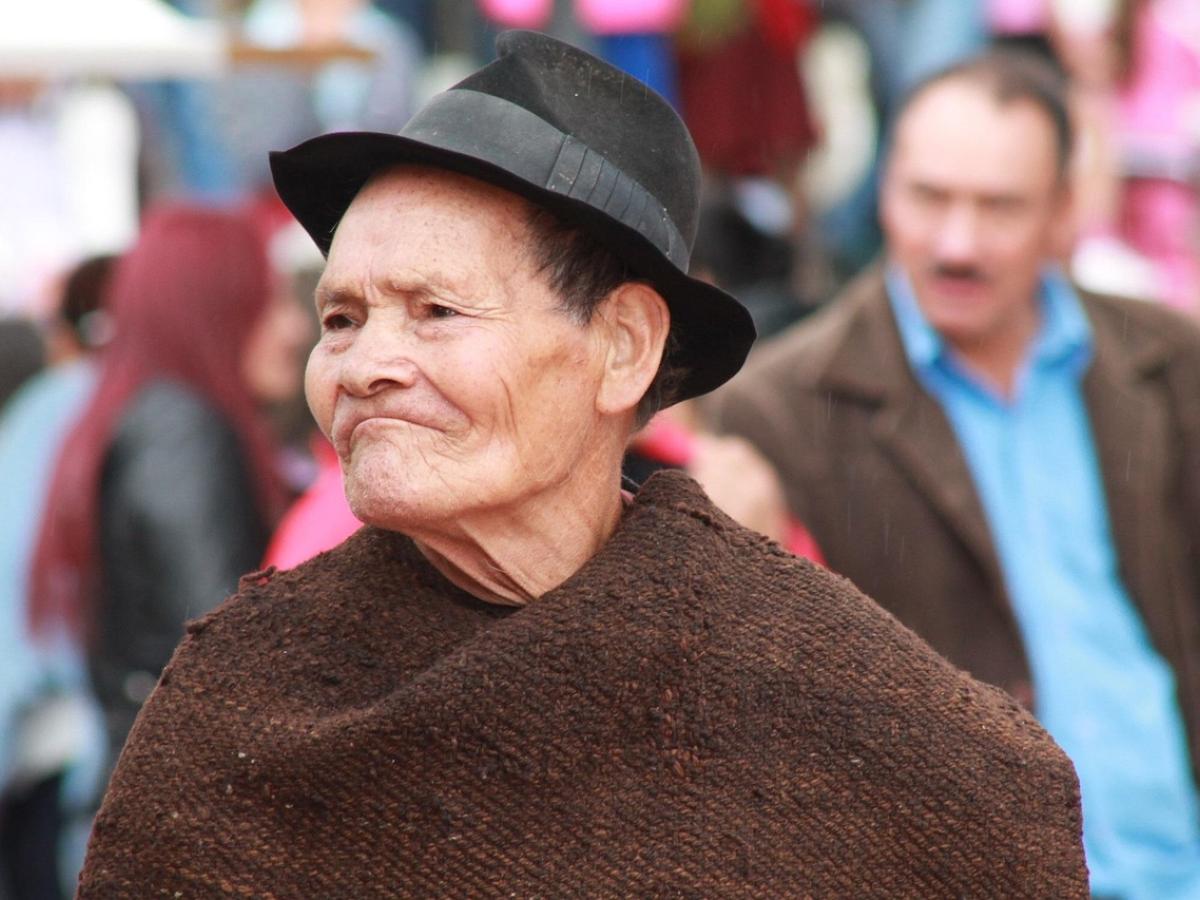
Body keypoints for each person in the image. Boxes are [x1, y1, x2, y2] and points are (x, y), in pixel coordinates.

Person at [77, 32, 1087, 897]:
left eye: (436, 311)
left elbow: (1012, 814)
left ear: (623, 350)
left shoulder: (810, 680)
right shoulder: (247, 693)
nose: (366, 365)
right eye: (340, 318)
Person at [713, 50, 1200, 899]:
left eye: (999, 207)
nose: (957, 244)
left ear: (1063, 212)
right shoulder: (782, 412)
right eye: (929, 197)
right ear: (884, 190)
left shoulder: (1167, 358)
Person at [29, 206, 309, 784]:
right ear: (214, 309)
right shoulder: (182, 433)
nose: (296, 329)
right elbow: (225, 640)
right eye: (272, 300)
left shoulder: (147, 418)